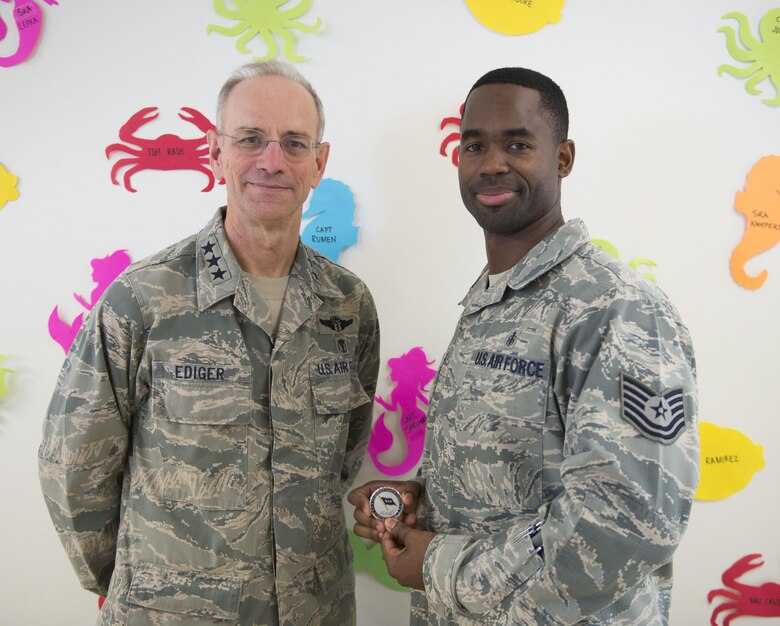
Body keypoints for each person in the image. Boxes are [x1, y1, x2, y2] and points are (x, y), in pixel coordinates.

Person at [349, 67, 698, 625]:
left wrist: (439, 563)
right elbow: (527, 474)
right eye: (474, 145)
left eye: (517, 143)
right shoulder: (494, 301)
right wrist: (427, 497)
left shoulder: (614, 308)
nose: (491, 163)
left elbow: (630, 522)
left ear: (562, 158)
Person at [39, 60, 380, 626]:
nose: (272, 161)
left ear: (319, 163)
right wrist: (142, 580)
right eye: (251, 139)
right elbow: (73, 465)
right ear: (215, 152)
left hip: (313, 611)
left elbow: (345, 456)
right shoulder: (142, 298)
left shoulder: (347, 304)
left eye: (294, 143)